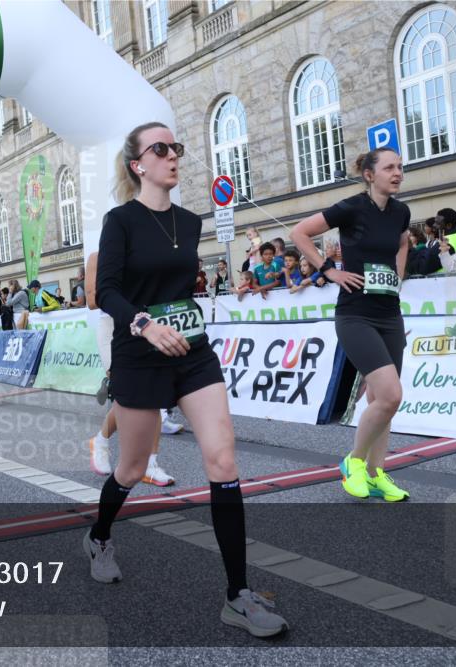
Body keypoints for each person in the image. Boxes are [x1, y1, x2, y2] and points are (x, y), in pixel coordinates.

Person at [93, 121, 288, 636]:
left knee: (223, 459)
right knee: (132, 470)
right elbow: (105, 292)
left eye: (176, 147)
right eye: (161, 149)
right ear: (139, 165)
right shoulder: (120, 221)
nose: (173, 155)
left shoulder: (190, 221)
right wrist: (143, 323)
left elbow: (181, 287)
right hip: (138, 351)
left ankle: (237, 595)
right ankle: (99, 535)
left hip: (192, 351)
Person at [290, 147, 411, 503]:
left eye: (400, 167)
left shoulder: (401, 212)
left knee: (381, 401)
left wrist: (398, 277)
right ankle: (353, 462)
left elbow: (402, 242)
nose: (398, 173)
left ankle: (376, 473)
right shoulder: (351, 207)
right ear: (370, 175)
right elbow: (300, 233)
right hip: (355, 314)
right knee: (390, 395)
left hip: (390, 312)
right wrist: (329, 271)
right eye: (390, 167)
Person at [85, 250, 178, 488]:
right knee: (126, 393)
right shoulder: (98, 257)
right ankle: (101, 440)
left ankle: (151, 465)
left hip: (145, 325)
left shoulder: (141, 253)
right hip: (113, 327)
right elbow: (92, 300)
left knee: (154, 393)